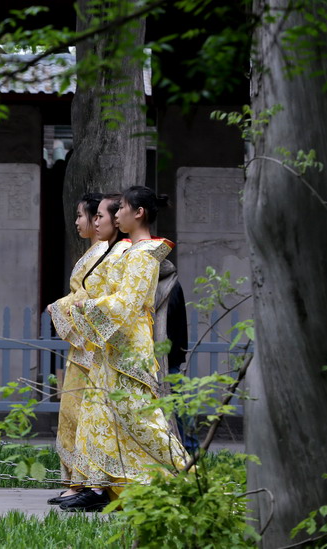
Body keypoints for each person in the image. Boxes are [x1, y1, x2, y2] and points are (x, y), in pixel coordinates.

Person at [58, 186, 189, 512]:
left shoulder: (145, 254)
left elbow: (125, 304)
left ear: (138, 213)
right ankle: (100, 487)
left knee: (142, 421)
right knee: (97, 416)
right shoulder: (132, 253)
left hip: (129, 350)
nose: (116, 215)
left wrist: (79, 311)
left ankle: (186, 475)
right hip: (110, 346)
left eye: (121, 210)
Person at [47, 192, 131, 506]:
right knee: (73, 413)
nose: (89, 222)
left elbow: (101, 296)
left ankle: (89, 483)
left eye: (94, 215)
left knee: (86, 414)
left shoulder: (118, 253)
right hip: (85, 340)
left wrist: (65, 308)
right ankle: (77, 480)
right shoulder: (101, 252)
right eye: (88, 216)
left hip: (96, 342)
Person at [154, 260, 200, 455]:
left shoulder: (169, 285)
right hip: (162, 356)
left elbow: (172, 321)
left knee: (177, 402)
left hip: (168, 357)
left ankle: (191, 450)